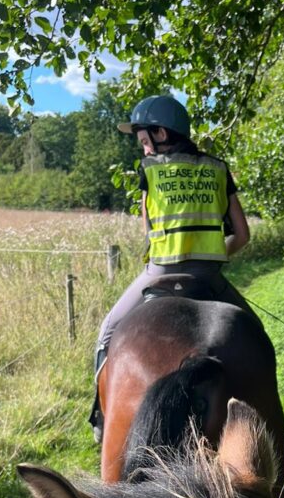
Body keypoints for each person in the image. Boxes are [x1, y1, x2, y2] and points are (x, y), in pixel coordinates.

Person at [89, 94, 256, 442]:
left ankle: (101, 420)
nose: (143, 149)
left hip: (161, 274)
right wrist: (212, 255)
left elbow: (150, 234)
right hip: (211, 276)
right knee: (258, 338)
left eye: (144, 140)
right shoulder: (217, 168)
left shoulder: (149, 172)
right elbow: (242, 235)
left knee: (106, 335)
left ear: (161, 134)